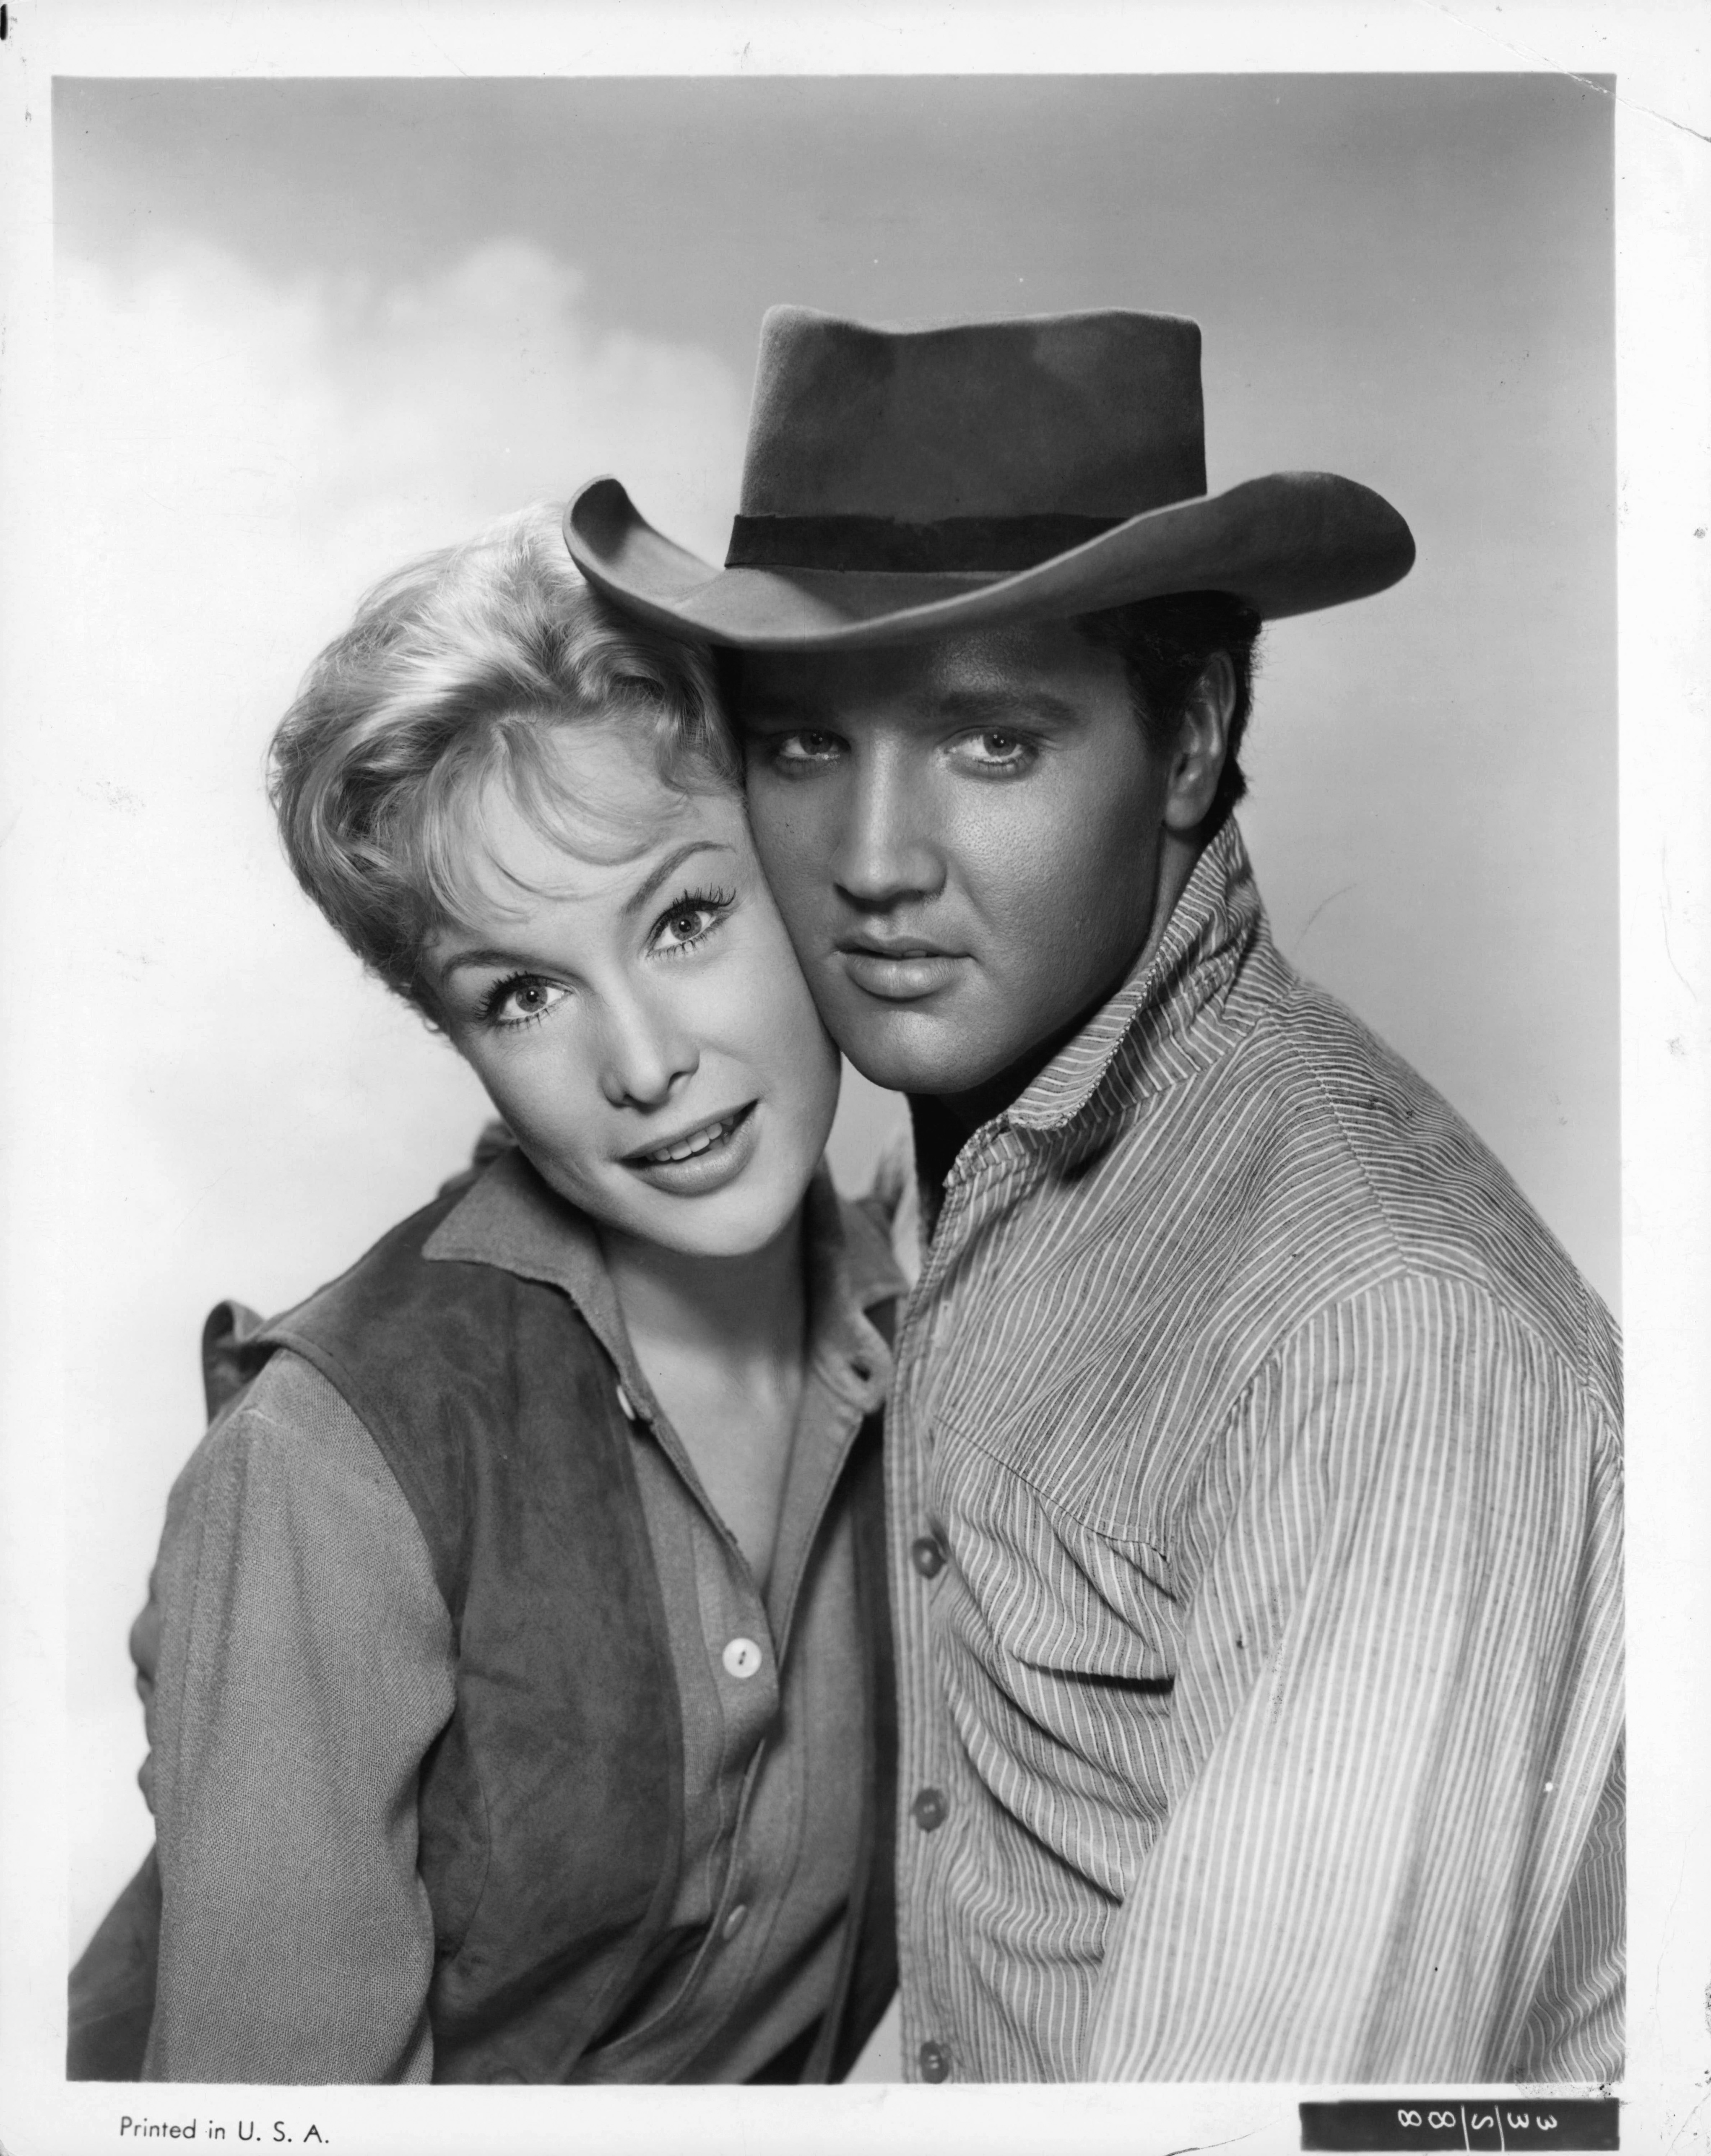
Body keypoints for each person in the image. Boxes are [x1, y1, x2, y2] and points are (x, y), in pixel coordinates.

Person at [563, 305, 1625, 2083]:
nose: (879, 865)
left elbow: (1284, 2130)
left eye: (992, 745)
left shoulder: (1376, 1324)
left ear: (1193, 735)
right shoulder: (962, 1175)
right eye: (808, 746)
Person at [67, 503, 904, 2085]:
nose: (647, 1063)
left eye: (687, 917)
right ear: (454, 1034)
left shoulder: (946, 1339)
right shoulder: (327, 1465)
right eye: (523, 992)